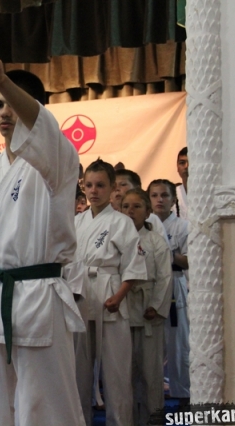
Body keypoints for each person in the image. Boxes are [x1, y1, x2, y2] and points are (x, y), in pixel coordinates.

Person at [0, 55, 86, 425]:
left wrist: (2, 81)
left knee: (46, 403)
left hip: (36, 295)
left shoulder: (56, 159)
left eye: (11, 102)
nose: (4, 112)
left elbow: (42, 125)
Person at [74, 159, 147, 426]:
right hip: (81, 294)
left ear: (113, 187)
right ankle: (80, 421)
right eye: (89, 185)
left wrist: (119, 296)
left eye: (100, 185)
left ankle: (121, 421)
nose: (94, 191)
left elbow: (133, 265)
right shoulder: (77, 221)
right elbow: (68, 261)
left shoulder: (122, 222)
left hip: (110, 292)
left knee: (116, 372)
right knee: (79, 371)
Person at [121, 189, 172, 425]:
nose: (130, 211)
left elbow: (164, 277)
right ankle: (130, 419)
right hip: (123, 309)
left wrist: (156, 305)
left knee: (151, 372)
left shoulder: (155, 241)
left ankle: (154, 418)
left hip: (148, 310)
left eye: (137, 206)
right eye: (126, 207)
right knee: (125, 374)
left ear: (148, 211)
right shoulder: (118, 238)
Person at [148, 179, 190, 406]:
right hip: (151, 284)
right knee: (151, 343)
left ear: (173, 199)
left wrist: (168, 254)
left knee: (178, 343)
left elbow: (190, 260)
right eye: (154, 195)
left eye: (164, 195)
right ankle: (151, 395)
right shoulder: (144, 225)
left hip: (175, 282)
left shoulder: (183, 226)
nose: (159, 200)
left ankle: (183, 394)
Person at [111, 169, 169, 245]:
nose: (117, 189)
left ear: (137, 188)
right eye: (114, 186)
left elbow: (164, 248)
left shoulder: (152, 219)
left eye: (123, 184)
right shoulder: (107, 218)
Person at [175, 148, 189, 219]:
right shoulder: (173, 193)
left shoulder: (207, 193)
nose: (186, 166)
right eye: (182, 163)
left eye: (190, 162)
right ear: (177, 167)